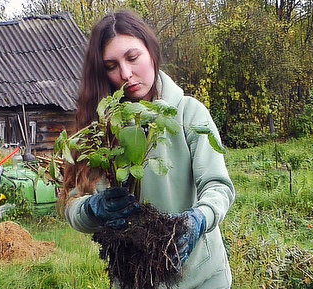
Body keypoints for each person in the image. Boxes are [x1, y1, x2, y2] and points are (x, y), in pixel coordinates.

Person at [63, 9, 235, 289]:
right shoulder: (100, 127)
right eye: (111, 66)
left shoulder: (188, 114)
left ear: (151, 51)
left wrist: (198, 220)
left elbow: (218, 186)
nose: (126, 74)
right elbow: (72, 204)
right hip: (133, 277)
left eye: (133, 58)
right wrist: (94, 209)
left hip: (201, 277)